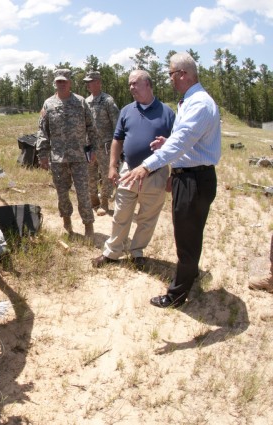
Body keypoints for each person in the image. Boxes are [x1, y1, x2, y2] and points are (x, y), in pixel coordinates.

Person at [120, 52, 221, 308]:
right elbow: (186, 140)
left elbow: (181, 141)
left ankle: (177, 294)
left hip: (193, 180)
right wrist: (169, 144)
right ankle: (192, 273)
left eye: (171, 74)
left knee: (186, 236)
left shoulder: (198, 103)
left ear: (183, 74)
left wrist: (146, 166)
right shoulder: (190, 101)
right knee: (191, 232)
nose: (170, 79)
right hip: (191, 177)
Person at [92, 70, 175, 269]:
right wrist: (113, 166)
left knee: (147, 217)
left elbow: (177, 145)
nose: (131, 88)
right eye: (129, 84)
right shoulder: (127, 110)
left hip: (156, 173)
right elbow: (117, 140)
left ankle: (137, 252)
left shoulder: (167, 113)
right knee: (121, 213)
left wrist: (174, 174)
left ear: (148, 85)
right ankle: (112, 252)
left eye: (135, 83)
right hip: (128, 171)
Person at [37, 68, 98, 239]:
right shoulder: (48, 104)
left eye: (64, 81)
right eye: (58, 81)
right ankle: (67, 222)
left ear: (70, 83)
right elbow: (42, 131)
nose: (61, 84)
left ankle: (88, 225)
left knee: (83, 192)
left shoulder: (80, 102)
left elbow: (91, 127)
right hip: (58, 158)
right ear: (55, 83)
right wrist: (42, 154)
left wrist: (92, 149)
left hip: (79, 157)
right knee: (62, 193)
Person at [84, 71, 120, 216]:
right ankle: (94, 202)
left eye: (90, 81)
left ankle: (104, 203)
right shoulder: (86, 101)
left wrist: (117, 148)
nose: (87, 84)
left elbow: (117, 124)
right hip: (89, 147)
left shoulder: (107, 101)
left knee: (106, 176)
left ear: (98, 82)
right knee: (90, 175)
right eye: (86, 82)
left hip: (105, 147)